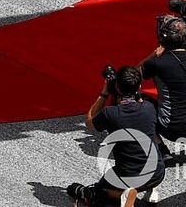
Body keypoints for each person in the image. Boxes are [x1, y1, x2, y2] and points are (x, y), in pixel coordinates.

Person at [67, 66, 165, 206]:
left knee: (100, 192)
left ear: (117, 87)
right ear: (139, 87)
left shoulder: (111, 114)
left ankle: (123, 195)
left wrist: (104, 93)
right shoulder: (149, 108)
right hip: (157, 173)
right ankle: (152, 190)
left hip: (130, 176)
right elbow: (136, 106)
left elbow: (89, 122)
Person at [141, 17, 186, 168]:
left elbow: (130, 77)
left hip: (172, 129)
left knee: (138, 102)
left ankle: (162, 150)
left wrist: (154, 54)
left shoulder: (157, 63)